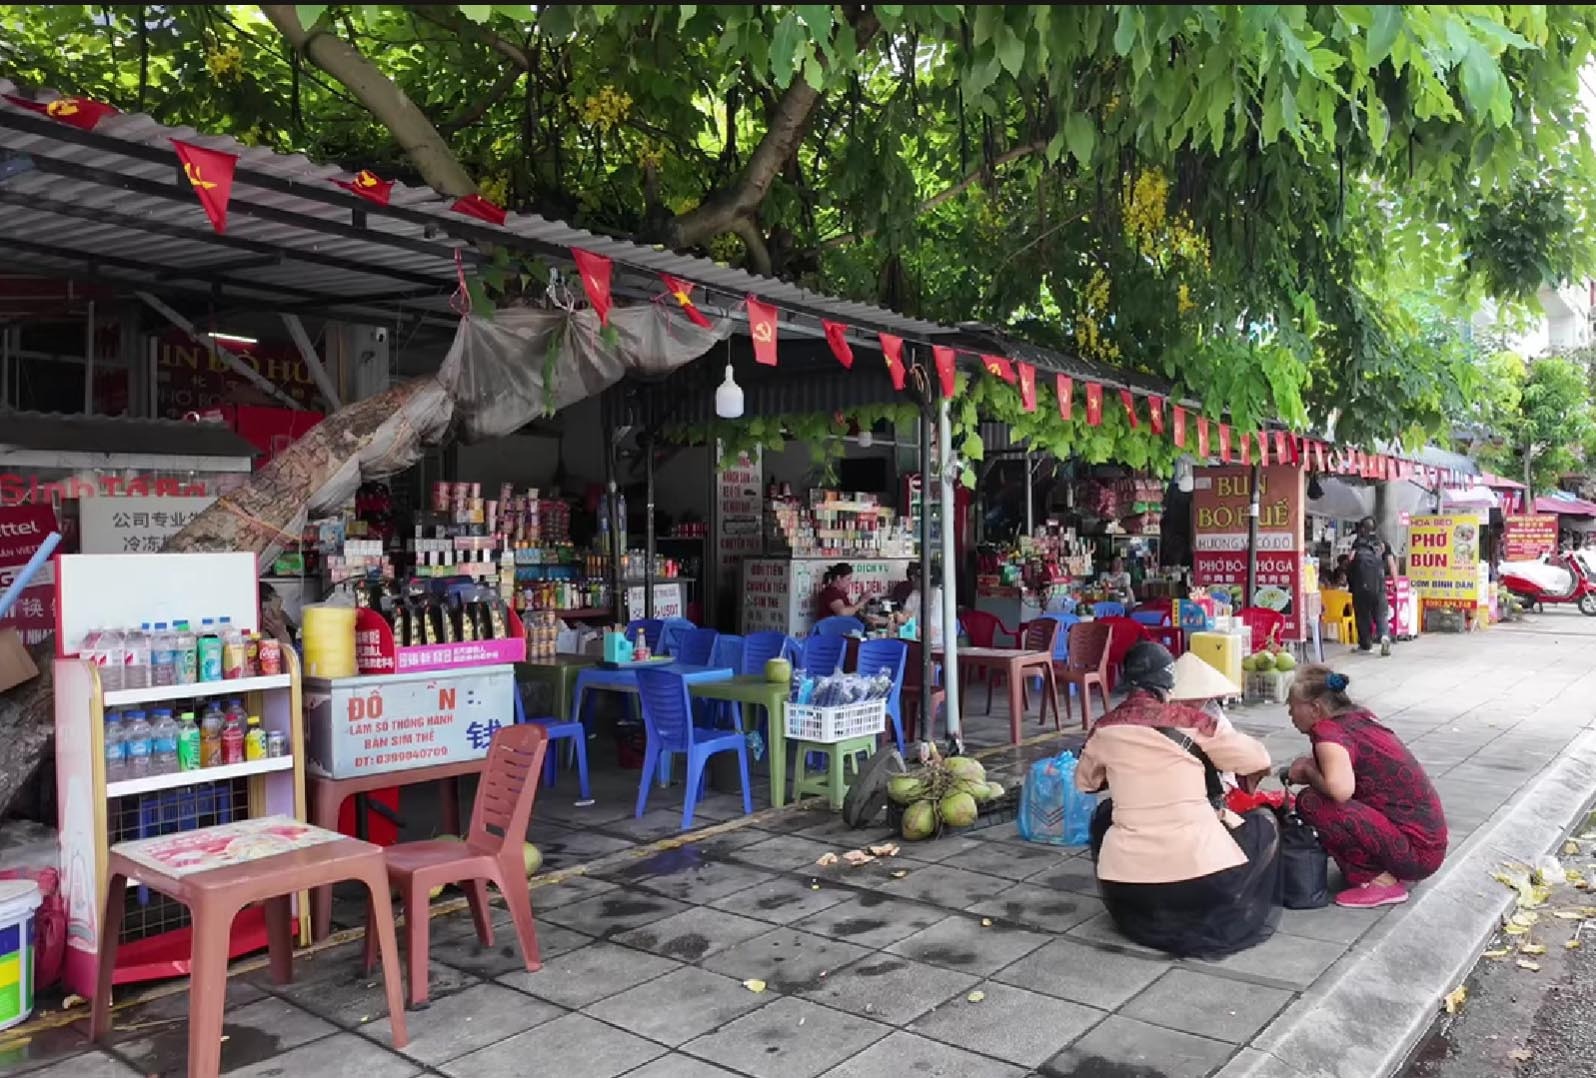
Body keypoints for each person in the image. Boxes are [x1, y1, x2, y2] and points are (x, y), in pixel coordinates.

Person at [1076, 642, 1280, 959]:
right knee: (1264, 823)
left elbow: (1086, 783)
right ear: (1168, 683)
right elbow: (1258, 759)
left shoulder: (1103, 728)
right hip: (1201, 878)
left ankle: (1150, 910)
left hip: (1129, 886)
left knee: (1105, 813)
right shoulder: (1194, 721)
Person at [1281, 665, 1446, 908]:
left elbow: (1340, 790)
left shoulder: (1328, 732)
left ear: (1315, 708)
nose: (1289, 714)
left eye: (1292, 706)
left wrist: (1307, 771)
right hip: (1427, 844)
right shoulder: (1359, 717)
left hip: (1415, 854)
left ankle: (1380, 882)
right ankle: (1382, 870)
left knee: (1311, 802)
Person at [1346, 517, 1396, 656]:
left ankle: (1366, 645)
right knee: (1381, 614)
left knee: (1363, 615)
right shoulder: (1383, 543)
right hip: (1379, 585)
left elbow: (1350, 559)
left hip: (1361, 586)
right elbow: (1392, 565)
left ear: (1362, 529)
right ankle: (1384, 636)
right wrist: (1395, 583)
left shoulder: (1358, 543)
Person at [900, 560, 946, 647]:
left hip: (936, 647)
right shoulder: (915, 594)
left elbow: (930, 634)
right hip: (914, 643)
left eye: (917, 577)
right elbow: (904, 617)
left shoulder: (940, 598)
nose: (913, 578)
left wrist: (905, 624)